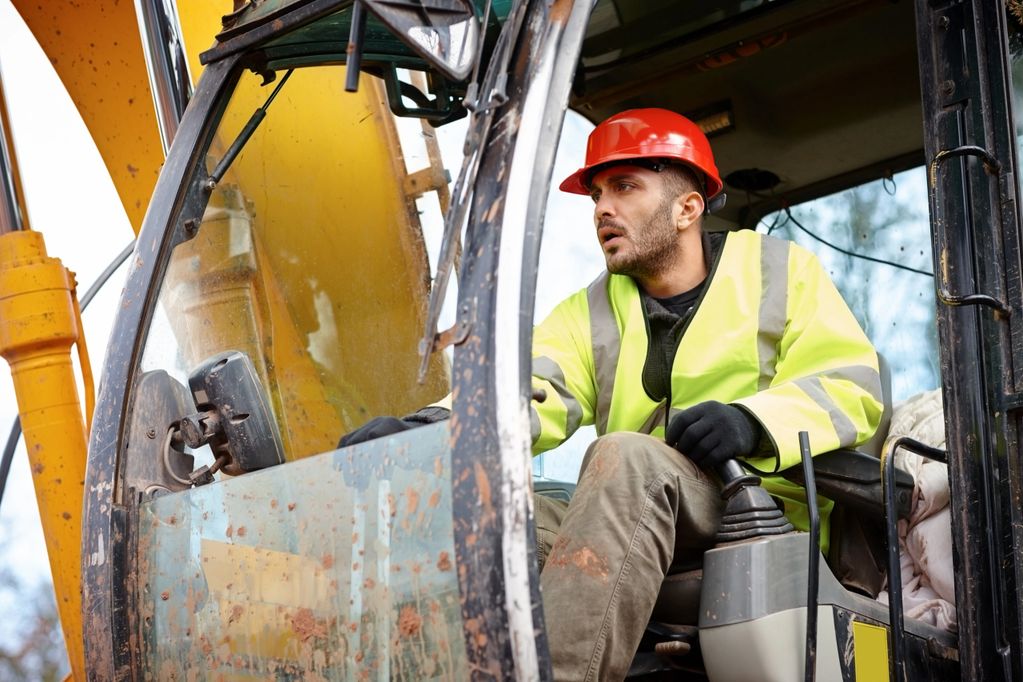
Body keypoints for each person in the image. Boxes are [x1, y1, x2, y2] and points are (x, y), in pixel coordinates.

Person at [341, 108, 883, 680]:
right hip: (635, 517)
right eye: (597, 193)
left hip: (757, 509)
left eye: (625, 187)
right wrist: (429, 430)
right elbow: (530, 390)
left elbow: (850, 386)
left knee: (624, 456)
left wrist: (749, 422)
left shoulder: (778, 271)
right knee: (479, 506)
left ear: (687, 208)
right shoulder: (592, 309)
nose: (602, 208)